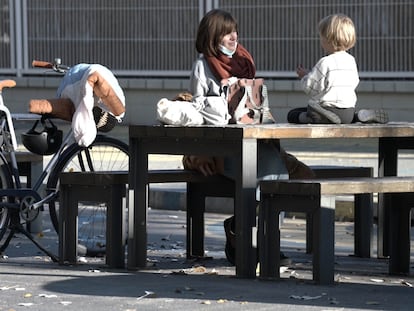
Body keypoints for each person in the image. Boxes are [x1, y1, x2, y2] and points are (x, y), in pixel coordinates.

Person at [183, 9, 315, 266]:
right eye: (226, 33)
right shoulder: (202, 66)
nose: (234, 37)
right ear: (212, 36)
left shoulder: (243, 61)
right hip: (224, 150)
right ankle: (249, 239)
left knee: (278, 174)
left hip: (256, 143)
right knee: (266, 174)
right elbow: (195, 112)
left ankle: (258, 238)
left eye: (235, 32)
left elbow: (255, 106)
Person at [287, 13, 388, 124]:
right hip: (347, 112)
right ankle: (358, 116)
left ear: (327, 39)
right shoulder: (351, 61)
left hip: (326, 110)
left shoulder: (325, 62)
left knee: (293, 114)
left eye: (321, 36)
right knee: (341, 117)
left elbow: (311, 88)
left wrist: (305, 77)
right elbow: (354, 83)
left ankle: (325, 117)